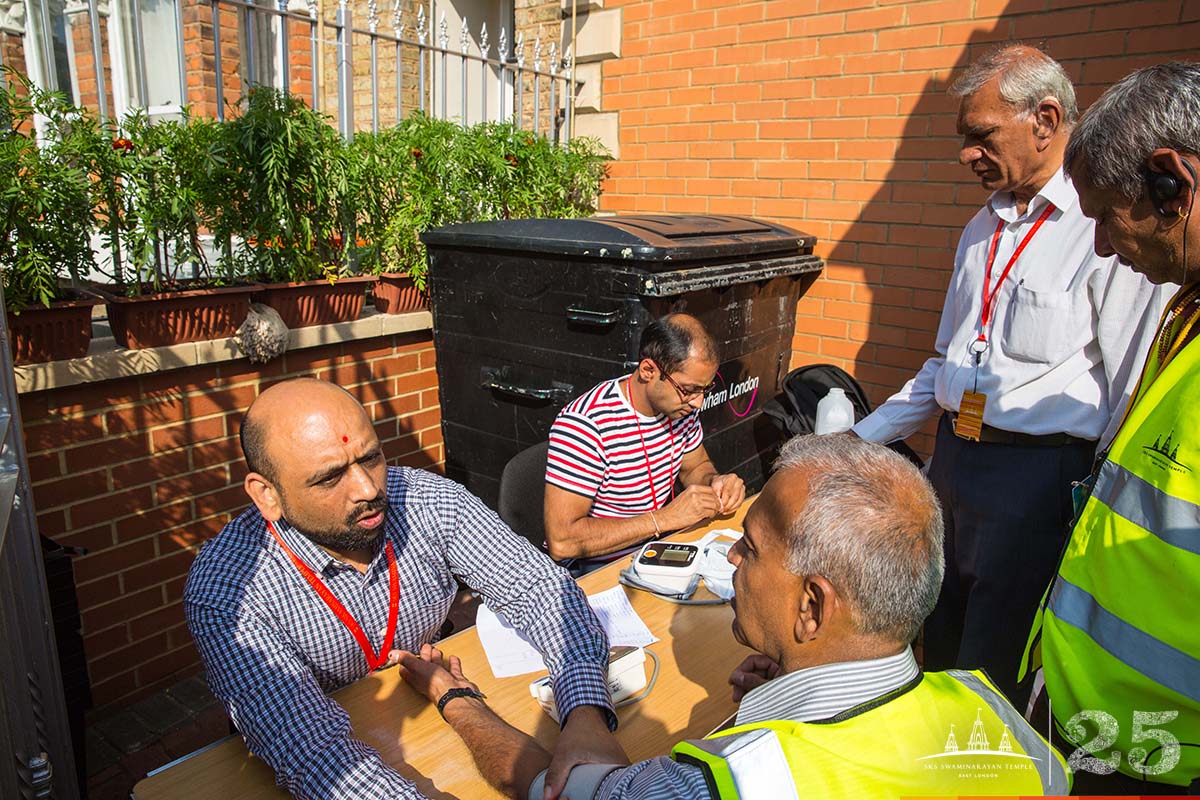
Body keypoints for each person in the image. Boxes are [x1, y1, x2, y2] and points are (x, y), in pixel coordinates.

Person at [394, 434, 1070, 800]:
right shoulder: (996, 713)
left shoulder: (731, 779)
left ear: (812, 606)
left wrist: (456, 698)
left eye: (749, 548)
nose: (734, 561)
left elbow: (559, 787)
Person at [851, 45, 1172, 702]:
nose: (967, 155)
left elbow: (1129, 387)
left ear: (1046, 120)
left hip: (1036, 481)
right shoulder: (979, 229)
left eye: (981, 136)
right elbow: (943, 363)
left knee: (993, 664)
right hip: (953, 466)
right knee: (932, 634)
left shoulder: (1104, 225)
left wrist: (1089, 504)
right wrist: (856, 441)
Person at [183, 378, 625, 800]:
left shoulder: (427, 500)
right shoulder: (227, 590)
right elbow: (312, 752)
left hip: (433, 714)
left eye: (371, 458)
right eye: (329, 478)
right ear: (267, 495)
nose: (369, 488)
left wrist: (585, 711)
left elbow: (538, 589)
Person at [1021, 61, 1200, 793]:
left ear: (1173, 184)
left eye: (1103, 215)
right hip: (1094, 727)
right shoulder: (1186, 310)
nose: (1097, 247)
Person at [543, 313, 745, 564]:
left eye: (705, 389)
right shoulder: (587, 425)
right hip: (596, 570)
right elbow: (563, 542)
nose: (698, 402)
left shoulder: (678, 408)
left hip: (655, 554)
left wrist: (715, 483)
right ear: (649, 370)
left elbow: (696, 466)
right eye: (689, 389)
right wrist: (664, 519)